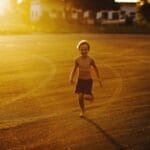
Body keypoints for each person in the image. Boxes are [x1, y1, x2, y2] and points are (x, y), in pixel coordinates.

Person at [69, 40, 102, 117]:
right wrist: (71, 77)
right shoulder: (77, 60)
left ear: (88, 50)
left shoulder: (91, 59)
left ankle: (91, 96)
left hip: (88, 81)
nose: (84, 51)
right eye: (82, 49)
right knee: (80, 97)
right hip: (80, 81)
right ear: (79, 49)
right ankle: (83, 111)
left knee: (86, 97)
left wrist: (99, 78)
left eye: (85, 49)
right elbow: (74, 69)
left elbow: (96, 68)